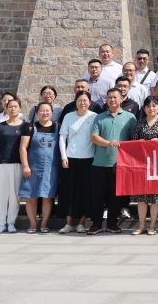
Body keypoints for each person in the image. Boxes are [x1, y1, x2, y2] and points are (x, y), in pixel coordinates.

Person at [87, 88, 137, 235]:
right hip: (100, 163)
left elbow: (133, 139)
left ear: (121, 99)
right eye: (109, 97)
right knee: (97, 196)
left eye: (115, 97)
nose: (112, 100)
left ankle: (112, 223)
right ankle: (96, 224)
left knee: (116, 196)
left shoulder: (130, 117)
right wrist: (108, 143)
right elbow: (94, 137)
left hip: (120, 164)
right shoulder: (99, 117)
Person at [127, 96, 158, 236]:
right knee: (141, 196)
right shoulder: (140, 123)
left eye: (154, 105)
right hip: (142, 164)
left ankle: (153, 225)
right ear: (144, 108)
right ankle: (141, 226)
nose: (151, 108)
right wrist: (139, 142)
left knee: (155, 196)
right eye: (148, 106)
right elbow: (133, 143)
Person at [58, 91, 96, 234]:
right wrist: (64, 156)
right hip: (70, 159)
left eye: (85, 100)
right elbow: (62, 138)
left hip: (88, 158)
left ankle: (81, 223)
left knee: (85, 191)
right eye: (80, 100)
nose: (82, 103)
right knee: (68, 191)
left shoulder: (94, 116)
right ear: (75, 101)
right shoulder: (68, 116)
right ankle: (68, 223)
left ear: (89, 102)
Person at [0, 95, 29, 233]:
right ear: (6, 109)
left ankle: (11, 222)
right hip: (1, 163)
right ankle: (1, 223)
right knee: (2, 194)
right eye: (10, 106)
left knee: (14, 195)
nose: (12, 109)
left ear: (20, 108)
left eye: (15, 106)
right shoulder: (0, 127)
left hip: (18, 163)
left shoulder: (25, 126)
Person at [19, 102, 61, 233]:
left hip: (52, 168)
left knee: (48, 196)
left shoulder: (58, 127)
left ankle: (44, 223)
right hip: (33, 167)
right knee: (31, 196)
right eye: (42, 110)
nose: (45, 113)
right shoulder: (30, 128)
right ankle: (32, 224)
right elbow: (23, 148)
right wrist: (25, 166)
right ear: (37, 113)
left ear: (52, 112)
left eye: (48, 110)